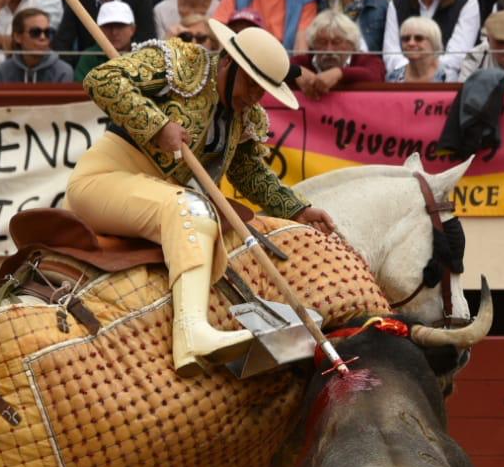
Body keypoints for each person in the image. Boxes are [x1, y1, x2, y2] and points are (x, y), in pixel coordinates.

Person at [67, 19, 332, 374]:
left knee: (201, 213)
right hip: (105, 179)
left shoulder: (246, 115)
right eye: (251, 84)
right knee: (193, 209)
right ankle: (192, 334)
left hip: (160, 195)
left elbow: (248, 172)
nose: (254, 97)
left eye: (262, 90)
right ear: (227, 63)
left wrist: (298, 209)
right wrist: (157, 126)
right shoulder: (181, 63)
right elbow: (102, 79)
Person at [292, 7, 384, 96]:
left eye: (336, 42)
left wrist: (340, 73)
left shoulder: (367, 60)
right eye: (322, 42)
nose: (329, 50)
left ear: (351, 44)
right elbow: (280, 68)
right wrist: (295, 72)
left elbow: (375, 75)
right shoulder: (304, 61)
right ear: (312, 44)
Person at [0, 5, 72, 83]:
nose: (42, 37)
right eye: (35, 32)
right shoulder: (2, 71)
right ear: (18, 37)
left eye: (47, 32)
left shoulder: (63, 71)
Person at [73, 0, 139, 79]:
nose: (114, 32)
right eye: (108, 26)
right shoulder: (89, 57)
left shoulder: (144, 56)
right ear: (98, 30)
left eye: (120, 26)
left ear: (132, 29)